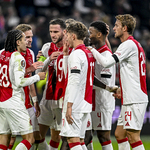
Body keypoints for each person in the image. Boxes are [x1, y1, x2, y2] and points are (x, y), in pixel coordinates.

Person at [89, 14, 148, 150]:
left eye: (116, 26)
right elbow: (131, 72)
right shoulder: (132, 44)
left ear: (125, 28)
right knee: (120, 134)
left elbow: (106, 62)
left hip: (135, 98)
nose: (114, 28)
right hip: (131, 96)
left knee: (133, 137)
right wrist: (122, 89)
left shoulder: (128, 45)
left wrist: (91, 49)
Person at [0, 29, 46, 150]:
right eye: (23, 40)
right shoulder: (18, 57)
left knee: (3, 141)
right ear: (17, 42)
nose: (26, 42)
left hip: (0, 101)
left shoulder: (1, 54)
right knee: (29, 138)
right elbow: (19, 82)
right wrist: (38, 77)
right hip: (13, 100)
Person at [59, 21, 95, 150]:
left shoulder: (77, 54)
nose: (66, 38)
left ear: (73, 36)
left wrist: (69, 106)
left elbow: (73, 81)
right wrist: (65, 55)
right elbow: (68, 75)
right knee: (79, 141)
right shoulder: (87, 53)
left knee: (72, 140)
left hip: (76, 103)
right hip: (85, 102)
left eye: (67, 35)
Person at [7, 24, 42, 150]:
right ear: (19, 39)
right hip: (13, 100)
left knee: (35, 137)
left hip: (26, 101)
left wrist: (35, 101)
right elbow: (16, 79)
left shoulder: (30, 53)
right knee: (11, 137)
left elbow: (28, 78)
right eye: (27, 37)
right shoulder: (9, 54)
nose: (30, 40)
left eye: (31, 36)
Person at [36, 18, 66, 150]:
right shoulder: (47, 47)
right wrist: (48, 59)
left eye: (56, 31)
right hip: (47, 97)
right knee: (37, 136)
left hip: (62, 99)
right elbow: (38, 71)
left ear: (64, 31)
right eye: (51, 31)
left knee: (56, 136)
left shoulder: (71, 48)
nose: (53, 34)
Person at [89, 20, 116, 150]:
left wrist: (86, 81)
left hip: (102, 102)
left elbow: (105, 83)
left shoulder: (106, 54)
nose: (89, 36)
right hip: (91, 101)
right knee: (86, 136)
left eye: (91, 33)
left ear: (99, 35)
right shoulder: (98, 51)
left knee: (103, 136)